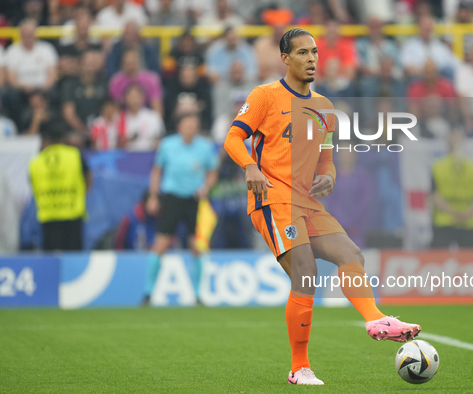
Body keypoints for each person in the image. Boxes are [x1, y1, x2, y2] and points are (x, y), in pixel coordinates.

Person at [223, 28, 421, 386]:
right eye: (302, 53)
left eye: (314, 52)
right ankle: (299, 368)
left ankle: (376, 319)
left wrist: (329, 177)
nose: (312, 58)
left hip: (307, 200)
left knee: (351, 253)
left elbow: (326, 159)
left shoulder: (325, 108)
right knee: (306, 272)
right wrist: (250, 166)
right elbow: (233, 137)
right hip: (272, 198)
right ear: (285, 59)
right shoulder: (264, 96)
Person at [143, 113, 219, 305]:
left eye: (194, 125)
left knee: (197, 246)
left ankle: (197, 294)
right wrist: (153, 196)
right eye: (187, 125)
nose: (190, 129)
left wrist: (206, 187)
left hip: (194, 200)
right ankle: (148, 292)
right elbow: (157, 170)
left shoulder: (205, 147)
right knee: (161, 243)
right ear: (179, 127)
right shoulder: (167, 145)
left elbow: (212, 171)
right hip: (171, 198)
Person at [28, 125, 92, 251]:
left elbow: (32, 184)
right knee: (73, 260)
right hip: (73, 214)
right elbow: (88, 177)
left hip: (49, 215)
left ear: (45, 141)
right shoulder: (74, 155)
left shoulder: (36, 162)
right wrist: (80, 194)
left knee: (52, 258)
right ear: (63, 140)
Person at [430, 131, 473, 249]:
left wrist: (453, 213)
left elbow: (435, 195)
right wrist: (467, 213)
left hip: (446, 219)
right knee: (471, 261)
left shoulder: (438, 166)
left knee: (438, 260)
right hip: (464, 220)